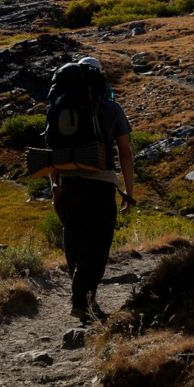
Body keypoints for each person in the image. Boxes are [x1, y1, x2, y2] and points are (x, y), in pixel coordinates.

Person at [49, 55, 135, 324]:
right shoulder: (111, 108)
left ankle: (85, 299)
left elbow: (54, 149)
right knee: (98, 244)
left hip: (67, 182)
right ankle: (81, 299)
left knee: (74, 238)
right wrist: (129, 192)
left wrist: (54, 185)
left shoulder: (59, 105)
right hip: (100, 183)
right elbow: (125, 154)